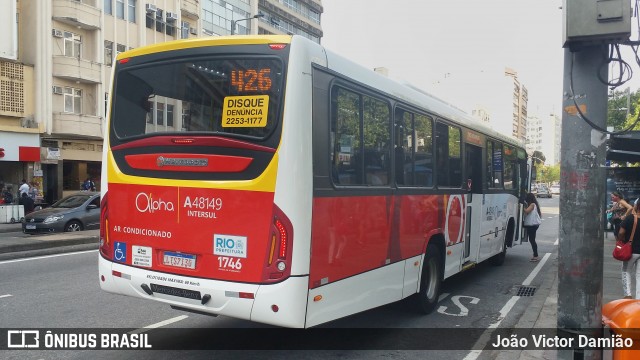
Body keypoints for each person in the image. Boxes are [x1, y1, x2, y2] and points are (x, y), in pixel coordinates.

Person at [619, 199, 640, 299]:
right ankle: (638, 298)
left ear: (637, 206)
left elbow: (621, 233)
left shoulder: (630, 218)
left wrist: (622, 241)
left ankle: (628, 295)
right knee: (639, 275)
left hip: (631, 251)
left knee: (626, 271)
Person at [523, 192, 542, 262]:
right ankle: (535, 255)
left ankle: (536, 255)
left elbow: (526, 211)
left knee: (532, 240)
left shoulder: (532, 204)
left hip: (532, 225)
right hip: (532, 225)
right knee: (532, 240)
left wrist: (520, 206)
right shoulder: (533, 204)